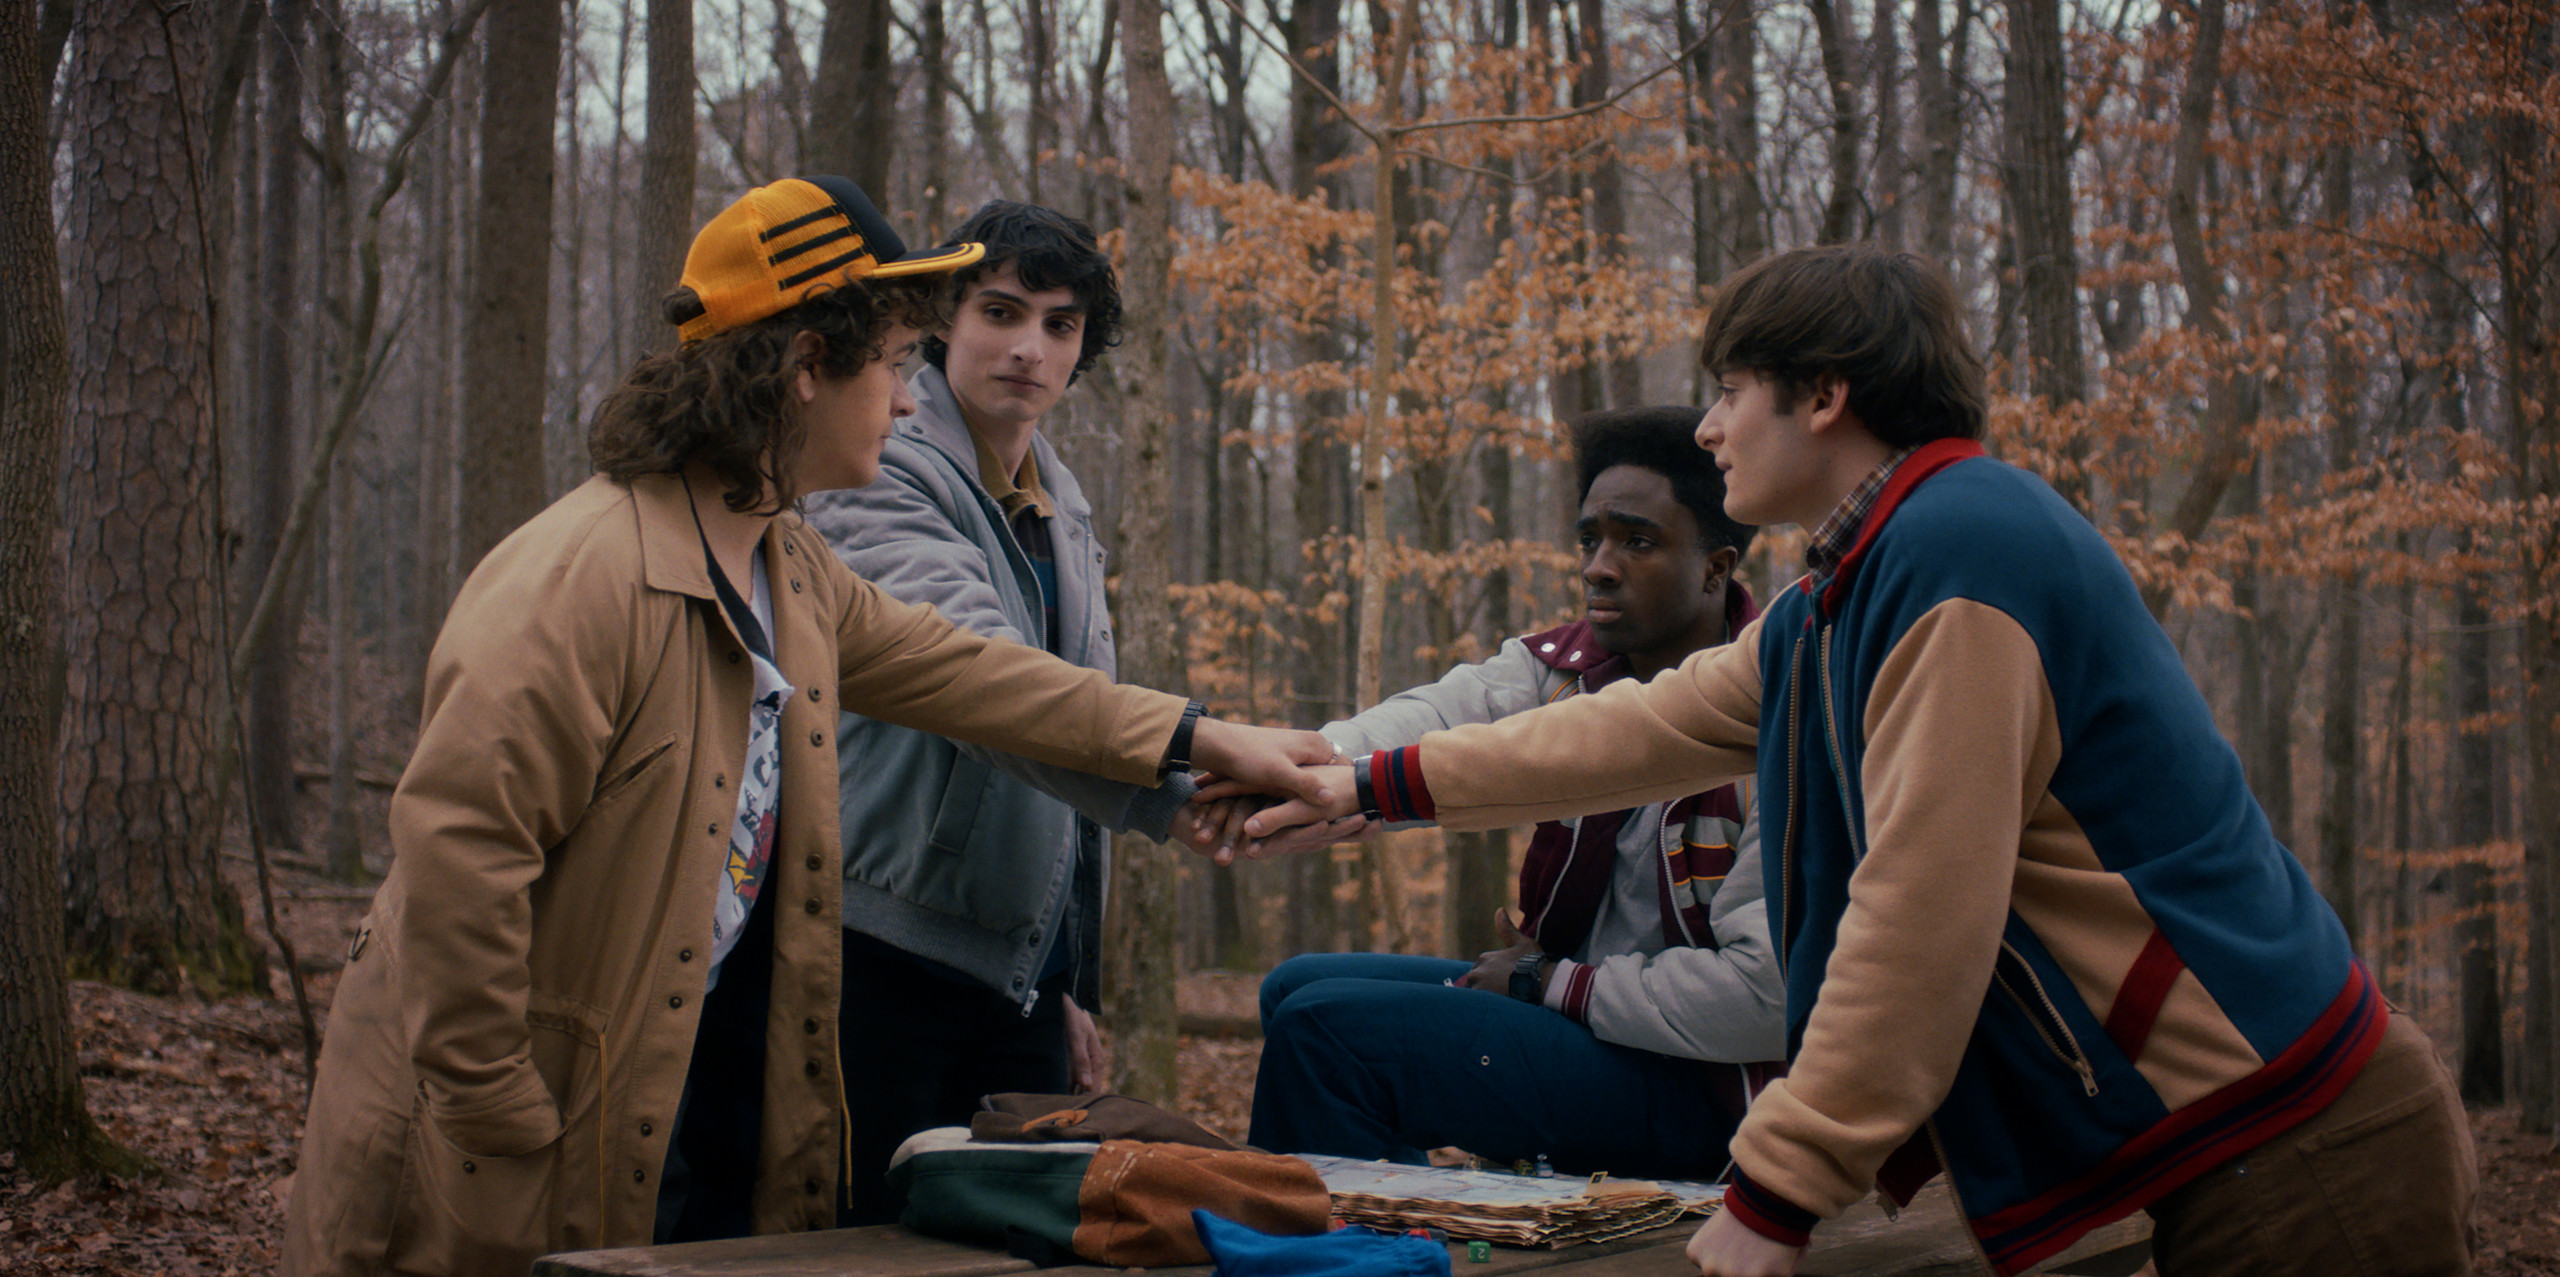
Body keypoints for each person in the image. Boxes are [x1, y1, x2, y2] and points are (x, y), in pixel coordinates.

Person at [1230, 246, 2475, 1277]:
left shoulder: (1961, 556)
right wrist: (1364, 785)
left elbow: (1919, 911)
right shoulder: (1849, 588)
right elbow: (1636, 726)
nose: (1709, 427)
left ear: (1822, 395)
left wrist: (1779, 1186)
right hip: (2235, 1144)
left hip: (2305, 1147)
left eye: (1730, 390)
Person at [278, 175, 1332, 1277]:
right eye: (888, 365)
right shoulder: (580, 575)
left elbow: (976, 675)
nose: (909, 399)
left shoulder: (786, 562)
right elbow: (460, 850)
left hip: (638, 1100)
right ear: (802, 369)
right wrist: (499, 1103)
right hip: (491, 1137)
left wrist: (1209, 741)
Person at [1238, 407, 1783, 1182]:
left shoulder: (1774, 720)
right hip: (1588, 1023)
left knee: (1328, 1032)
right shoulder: (1563, 672)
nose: (1597, 565)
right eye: (1589, 538)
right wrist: (1293, 768)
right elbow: (1432, 718)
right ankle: (1406, 1229)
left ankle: (1347, 1253)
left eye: (1637, 540)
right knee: (1296, 985)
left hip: (1706, 1088)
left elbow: (1767, 998)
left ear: (1716, 567)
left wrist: (1547, 981)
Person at [799, 201, 1168, 1224]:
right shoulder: (878, 467)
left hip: (1015, 975)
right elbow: (987, 682)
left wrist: (1061, 973)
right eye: (1000, 311)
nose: (1027, 347)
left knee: (1019, 1243)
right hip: (884, 952)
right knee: (872, 1239)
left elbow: (1063, 778)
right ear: (941, 323)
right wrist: (1197, 763)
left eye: (1059, 325)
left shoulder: (1063, 498)